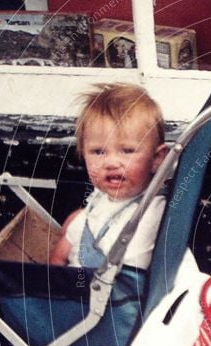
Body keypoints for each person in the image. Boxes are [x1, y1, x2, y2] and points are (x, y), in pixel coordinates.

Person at [49, 83, 168, 269]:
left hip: (104, 290)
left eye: (127, 151)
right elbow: (88, 223)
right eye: (98, 152)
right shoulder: (102, 196)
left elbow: (124, 276)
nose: (111, 163)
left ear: (156, 158)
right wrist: (78, 221)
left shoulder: (150, 215)